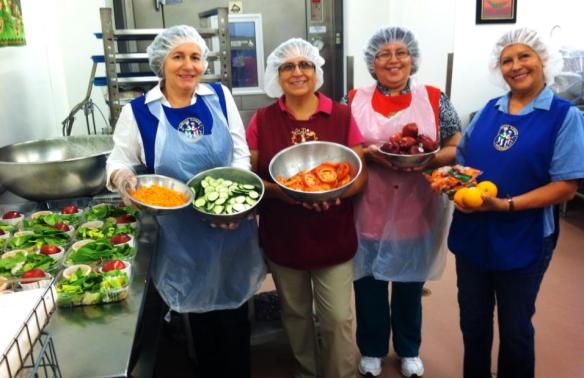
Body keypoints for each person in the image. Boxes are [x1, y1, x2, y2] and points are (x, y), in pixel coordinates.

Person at [106, 25, 266, 378]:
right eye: (178, 56)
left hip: (230, 228)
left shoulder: (219, 97)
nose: (188, 65)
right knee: (197, 320)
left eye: (195, 57)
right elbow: (118, 160)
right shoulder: (139, 112)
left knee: (236, 315)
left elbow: (239, 153)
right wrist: (122, 178)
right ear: (161, 63)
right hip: (181, 236)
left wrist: (237, 200)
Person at [449, 28, 584, 378]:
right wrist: (453, 185)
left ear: (543, 61)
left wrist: (506, 205)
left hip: (525, 236)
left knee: (516, 329)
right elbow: (463, 163)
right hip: (473, 233)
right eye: (507, 60)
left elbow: (566, 186)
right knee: (473, 322)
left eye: (525, 56)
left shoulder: (563, 116)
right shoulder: (487, 112)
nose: (516, 66)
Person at [245, 38, 368, 378]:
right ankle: (307, 371)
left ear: (316, 71)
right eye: (288, 66)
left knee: (337, 318)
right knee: (296, 314)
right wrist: (283, 193)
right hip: (284, 235)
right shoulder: (263, 119)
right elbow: (253, 177)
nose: (297, 72)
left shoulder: (341, 115)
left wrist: (339, 194)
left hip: (334, 234)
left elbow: (359, 172)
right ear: (276, 75)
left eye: (305, 65)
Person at [346, 26, 462, 377]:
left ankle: (409, 349)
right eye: (383, 54)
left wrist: (429, 158)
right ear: (371, 62)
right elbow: (343, 149)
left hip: (417, 206)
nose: (393, 60)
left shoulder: (434, 98)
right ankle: (372, 349)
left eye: (401, 53)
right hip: (368, 206)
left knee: (410, 283)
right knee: (368, 283)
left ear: (413, 59)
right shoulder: (352, 99)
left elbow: (456, 145)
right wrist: (367, 152)